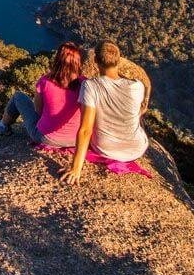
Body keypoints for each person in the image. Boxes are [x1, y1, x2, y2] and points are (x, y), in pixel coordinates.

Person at [60, 39, 150, 185]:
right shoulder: (137, 86)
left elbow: (85, 130)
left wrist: (76, 168)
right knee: (139, 117)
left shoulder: (90, 86)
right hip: (136, 149)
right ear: (119, 60)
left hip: (105, 148)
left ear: (95, 60)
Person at [0, 42, 83, 148]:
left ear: (57, 60)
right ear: (78, 62)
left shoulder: (45, 82)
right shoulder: (85, 83)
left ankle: (2, 127)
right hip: (77, 140)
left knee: (18, 96)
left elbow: (38, 112)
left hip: (45, 138)